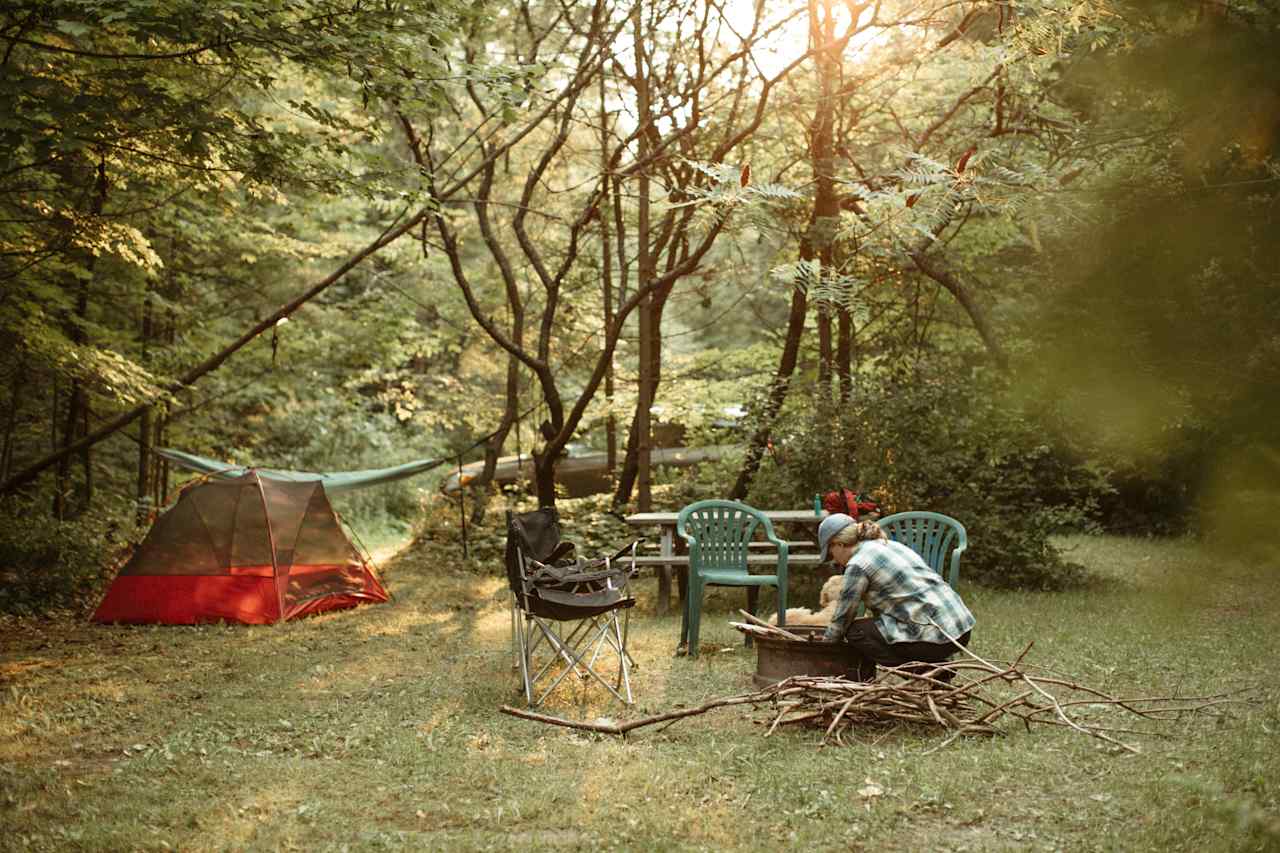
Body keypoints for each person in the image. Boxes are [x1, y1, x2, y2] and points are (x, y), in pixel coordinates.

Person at [817, 513, 974, 681]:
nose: (834, 560)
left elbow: (843, 616)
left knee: (857, 631)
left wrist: (824, 647)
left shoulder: (858, 564)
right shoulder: (888, 545)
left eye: (831, 553)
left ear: (840, 544)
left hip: (936, 635)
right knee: (872, 629)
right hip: (959, 628)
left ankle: (928, 675)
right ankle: (934, 666)